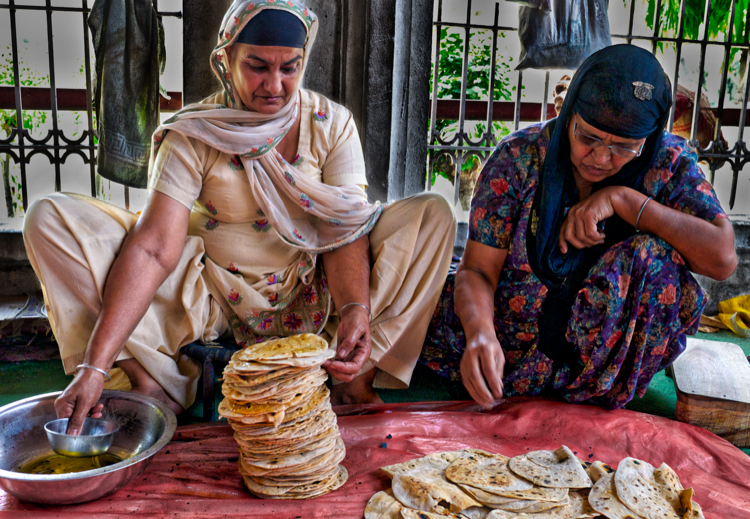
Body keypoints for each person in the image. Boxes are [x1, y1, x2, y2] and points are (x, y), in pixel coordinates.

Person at [23, 0, 455, 434]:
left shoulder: (330, 123)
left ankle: (349, 375)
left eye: (290, 67)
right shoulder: (194, 133)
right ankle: (154, 385)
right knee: (49, 219)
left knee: (431, 217)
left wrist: (355, 308)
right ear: (225, 59)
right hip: (207, 299)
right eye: (257, 66)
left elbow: (344, 230)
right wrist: (94, 368)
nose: (275, 84)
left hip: (309, 288)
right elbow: (155, 249)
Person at [421, 44, 736, 410]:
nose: (601, 158)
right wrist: (479, 334)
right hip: (506, 345)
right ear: (568, 114)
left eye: (624, 147)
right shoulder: (518, 160)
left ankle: (596, 390)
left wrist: (625, 202)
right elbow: (477, 269)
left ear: (648, 140)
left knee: (656, 259)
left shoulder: (667, 165)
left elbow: (721, 258)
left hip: (597, 370)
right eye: (587, 137)